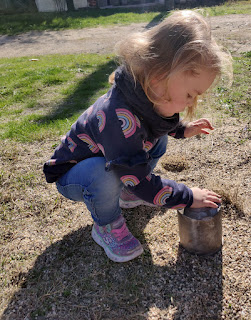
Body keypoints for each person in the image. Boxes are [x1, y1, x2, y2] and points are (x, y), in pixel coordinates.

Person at [43, 10, 232, 263]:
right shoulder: (118, 118)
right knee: (105, 173)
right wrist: (187, 196)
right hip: (74, 175)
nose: (191, 103)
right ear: (158, 77)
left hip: (115, 159)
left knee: (158, 138)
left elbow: (154, 122)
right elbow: (138, 175)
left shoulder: (144, 91)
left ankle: (127, 194)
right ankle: (106, 225)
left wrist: (182, 129)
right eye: (190, 95)